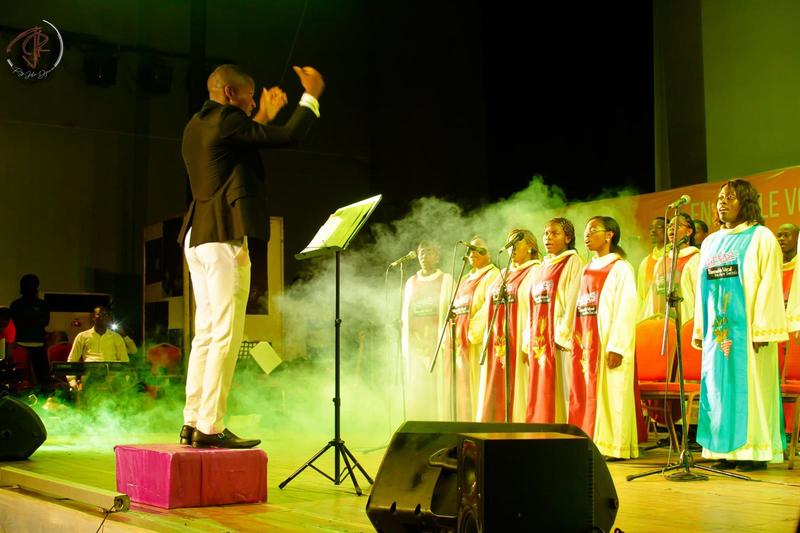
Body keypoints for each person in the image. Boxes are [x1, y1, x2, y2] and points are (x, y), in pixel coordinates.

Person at [178, 63, 324, 448]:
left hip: (198, 235)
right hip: (224, 234)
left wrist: (262, 115)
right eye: (249, 94)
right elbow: (289, 136)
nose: (252, 100)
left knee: (206, 334)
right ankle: (210, 426)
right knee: (225, 334)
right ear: (230, 94)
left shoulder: (197, 123)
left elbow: (243, 141)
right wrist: (311, 96)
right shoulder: (228, 120)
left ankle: (193, 420)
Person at [691, 179, 787, 472]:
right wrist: (700, 328)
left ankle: (752, 452)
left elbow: (770, 284)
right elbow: (702, 288)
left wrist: (763, 328)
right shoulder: (710, 242)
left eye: (729, 197)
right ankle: (722, 450)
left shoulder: (762, 237)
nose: (722, 203)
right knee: (716, 389)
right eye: (720, 198)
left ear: (745, 202)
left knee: (751, 389)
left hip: (749, 334)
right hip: (717, 333)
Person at [569, 217, 639, 459]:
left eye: (593, 231)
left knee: (612, 395)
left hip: (608, 341)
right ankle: (588, 440)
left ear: (609, 235)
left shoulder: (621, 268)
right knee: (584, 394)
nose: (586, 236)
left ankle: (613, 446)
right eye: (585, 231)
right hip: (585, 342)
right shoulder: (586, 268)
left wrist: (617, 346)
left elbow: (627, 309)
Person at [477, 229, 541, 423]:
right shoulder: (503, 274)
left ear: (530, 247)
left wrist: (527, 340)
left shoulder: (536, 270)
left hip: (519, 340)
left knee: (518, 386)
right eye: (509, 244)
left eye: (517, 243)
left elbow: (536, 309)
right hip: (498, 342)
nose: (511, 248)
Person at [524, 218, 582, 423]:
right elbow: (531, 306)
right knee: (541, 389)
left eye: (555, 233)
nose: (548, 237)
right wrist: (527, 340)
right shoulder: (540, 267)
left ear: (568, 237)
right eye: (546, 233)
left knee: (563, 389)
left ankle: (564, 432)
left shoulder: (572, 261)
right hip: (540, 339)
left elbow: (573, 299)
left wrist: (564, 333)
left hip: (559, 338)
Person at [446, 237, 499, 421]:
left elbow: (489, 308)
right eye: (469, 250)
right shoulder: (465, 278)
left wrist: (472, 332)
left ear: (489, 253)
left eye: (478, 249)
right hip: (461, 343)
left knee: (477, 387)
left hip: (477, 343)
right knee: (462, 390)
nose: (472, 253)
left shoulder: (493, 275)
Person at [401, 241, 453, 420]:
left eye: (429, 252)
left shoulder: (446, 280)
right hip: (416, 343)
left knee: (436, 386)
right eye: (421, 252)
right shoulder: (411, 282)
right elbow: (406, 314)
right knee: (418, 385)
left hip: (438, 342)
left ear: (437, 257)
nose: (424, 256)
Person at [645, 212, 701, 323]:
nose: (671, 228)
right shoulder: (661, 262)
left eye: (678, 225)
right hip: (661, 325)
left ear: (689, 231)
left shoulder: (695, 259)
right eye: (670, 226)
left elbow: (700, 298)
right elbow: (652, 298)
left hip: (686, 324)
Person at [66, 306, 130, 389]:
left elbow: (124, 361)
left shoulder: (116, 337)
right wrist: (72, 381)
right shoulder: (82, 336)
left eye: (105, 315)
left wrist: (125, 382)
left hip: (111, 381)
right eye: (100, 314)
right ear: (93, 318)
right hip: (89, 379)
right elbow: (72, 360)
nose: (103, 317)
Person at [10, 274, 51, 393]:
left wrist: (28, 320)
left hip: (38, 343)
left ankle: (45, 397)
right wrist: (33, 320)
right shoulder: (16, 305)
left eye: (32, 285)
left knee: (43, 375)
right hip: (20, 344)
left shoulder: (42, 304)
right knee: (20, 376)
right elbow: (14, 323)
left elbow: (46, 321)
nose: (30, 288)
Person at [637, 217, 666, 320]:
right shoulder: (645, 262)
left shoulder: (675, 257)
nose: (653, 231)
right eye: (650, 228)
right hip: (649, 318)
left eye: (658, 227)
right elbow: (640, 297)